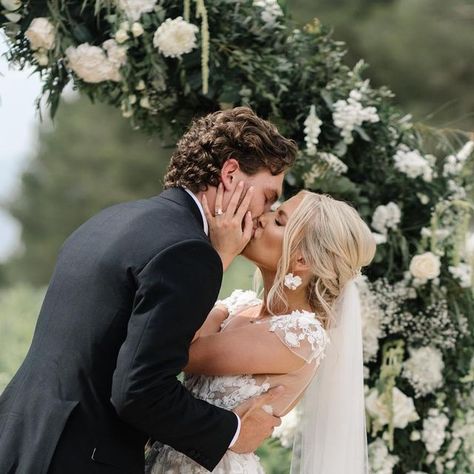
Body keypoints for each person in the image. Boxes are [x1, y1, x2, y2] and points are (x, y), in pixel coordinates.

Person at [0, 107, 298, 474]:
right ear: (231, 174)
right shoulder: (186, 252)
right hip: (79, 457)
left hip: (18, 437)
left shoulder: (112, 219)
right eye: (268, 197)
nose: (263, 214)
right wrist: (235, 431)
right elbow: (139, 392)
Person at [147, 190, 376, 473]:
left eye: (278, 221)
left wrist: (220, 256)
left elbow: (181, 350)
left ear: (301, 260)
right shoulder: (240, 305)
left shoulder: (300, 335)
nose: (261, 219)